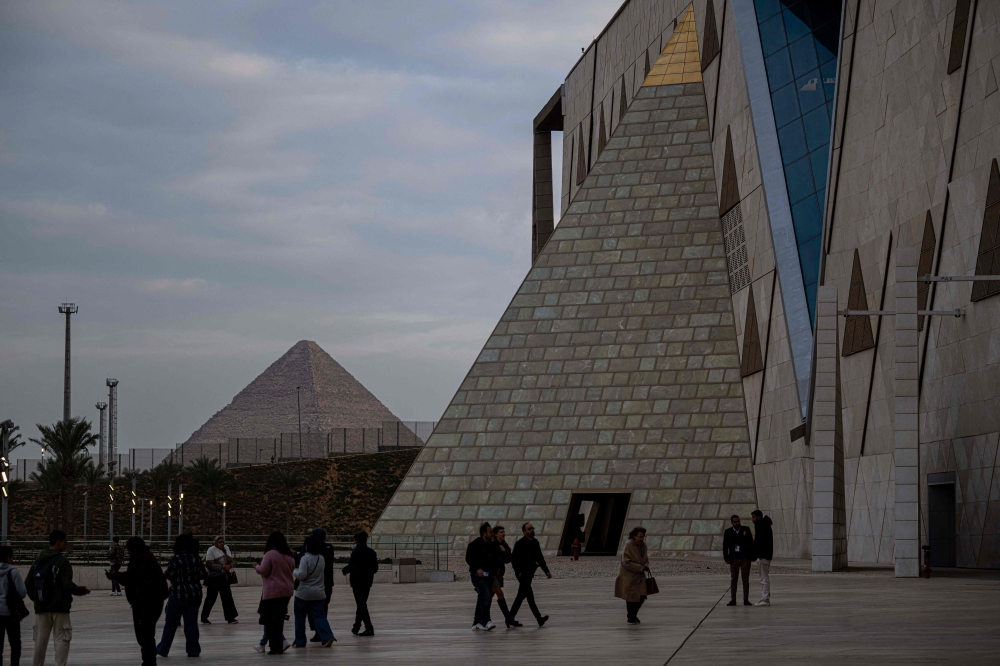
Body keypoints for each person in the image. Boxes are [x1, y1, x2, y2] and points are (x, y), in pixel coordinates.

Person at [27, 529, 91, 666]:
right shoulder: (62, 562)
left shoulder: (38, 561)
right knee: (62, 639)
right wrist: (81, 590)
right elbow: (67, 584)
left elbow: (28, 583)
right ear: (58, 542)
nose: (66, 544)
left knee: (39, 642)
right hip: (60, 607)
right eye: (65, 542)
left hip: (41, 608)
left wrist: (37, 599)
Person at [107, 537, 168, 666]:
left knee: (145, 634)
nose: (128, 552)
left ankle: (149, 661)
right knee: (146, 633)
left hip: (146, 602)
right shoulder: (145, 556)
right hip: (151, 601)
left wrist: (115, 575)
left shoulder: (141, 558)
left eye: (129, 549)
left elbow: (132, 577)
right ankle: (149, 660)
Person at [156, 533, 207, 657]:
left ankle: (163, 649)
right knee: (191, 624)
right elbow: (203, 575)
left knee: (170, 624)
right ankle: (193, 650)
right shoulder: (196, 558)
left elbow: (168, 575)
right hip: (195, 594)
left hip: (178, 594)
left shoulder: (176, 559)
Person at [254, 531, 295, 655]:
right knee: (280, 620)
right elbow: (292, 569)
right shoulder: (289, 556)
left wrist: (256, 566)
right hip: (286, 591)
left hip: (273, 592)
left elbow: (263, 570)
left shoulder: (270, 554)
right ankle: (279, 647)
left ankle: (273, 648)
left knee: (271, 621)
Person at [292, 536, 335, 648]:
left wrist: (293, 572)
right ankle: (327, 636)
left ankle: (300, 641)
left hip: (303, 593)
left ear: (307, 546)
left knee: (300, 617)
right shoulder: (321, 558)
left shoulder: (305, 559)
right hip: (319, 592)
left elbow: (302, 575)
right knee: (320, 616)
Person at [509, 522, 551, 627]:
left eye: (532, 528)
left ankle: (510, 618)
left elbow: (540, 558)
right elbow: (514, 559)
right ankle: (538, 618)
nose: (532, 530)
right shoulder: (520, 543)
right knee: (529, 596)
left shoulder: (535, 542)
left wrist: (546, 571)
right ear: (524, 532)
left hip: (530, 572)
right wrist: (518, 571)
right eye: (529, 529)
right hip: (522, 574)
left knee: (522, 595)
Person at [342, 531, 378, 636]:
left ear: (357, 541)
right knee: (361, 604)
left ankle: (369, 627)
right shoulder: (371, 552)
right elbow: (375, 568)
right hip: (367, 582)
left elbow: (352, 565)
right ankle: (356, 626)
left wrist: (345, 570)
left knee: (361, 604)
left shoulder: (356, 552)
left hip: (357, 582)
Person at [465, 521, 497, 631]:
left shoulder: (493, 545)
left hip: (489, 576)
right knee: (485, 595)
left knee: (482, 598)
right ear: (484, 533)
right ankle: (487, 621)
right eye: (490, 532)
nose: (492, 534)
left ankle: (477, 623)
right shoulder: (474, 545)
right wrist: (477, 568)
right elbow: (469, 559)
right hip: (477, 576)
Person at [614, 526, 649, 624]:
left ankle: (633, 615)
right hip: (629, 576)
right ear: (634, 536)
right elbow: (626, 562)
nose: (641, 539)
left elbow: (646, 559)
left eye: (643, 537)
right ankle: (631, 617)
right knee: (631, 597)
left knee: (642, 596)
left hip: (640, 576)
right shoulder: (629, 545)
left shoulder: (644, 546)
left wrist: (646, 565)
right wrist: (640, 567)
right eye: (639, 537)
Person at [0, 545, 27, 666]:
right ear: (8, 557)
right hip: (11, 614)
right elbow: (22, 592)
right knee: (15, 645)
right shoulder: (14, 572)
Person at [201, 536, 238, 624]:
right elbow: (209, 564)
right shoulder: (211, 550)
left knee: (227, 597)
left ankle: (230, 617)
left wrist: (229, 566)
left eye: (223, 542)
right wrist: (222, 566)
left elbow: (231, 561)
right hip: (214, 578)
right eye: (220, 542)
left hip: (224, 577)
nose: (222, 544)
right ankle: (204, 617)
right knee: (211, 598)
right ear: (216, 543)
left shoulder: (226, 548)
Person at [489, 525, 518, 628]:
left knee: (489, 596)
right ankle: (508, 618)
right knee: (500, 594)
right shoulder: (493, 544)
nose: (503, 534)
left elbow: (509, 558)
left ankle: (483, 617)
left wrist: (503, 551)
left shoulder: (504, 544)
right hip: (493, 574)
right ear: (496, 534)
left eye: (503, 532)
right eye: (501, 532)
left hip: (499, 574)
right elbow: (496, 559)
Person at [723, 514, 755, 607]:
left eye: (738, 521)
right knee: (734, 579)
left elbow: (751, 543)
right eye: (735, 522)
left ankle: (746, 599)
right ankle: (733, 599)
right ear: (732, 522)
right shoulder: (728, 532)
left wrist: (752, 556)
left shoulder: (746, 529)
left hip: (745, 558)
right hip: (734, 558)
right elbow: (725, 546)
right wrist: (726, 558)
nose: (737, 523)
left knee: (745, 579)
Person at [751, 510, 773, 606]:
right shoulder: (766, 524)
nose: (752, 519)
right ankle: (765, 597)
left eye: (754, 517)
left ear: (758, 517)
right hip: (766, 555)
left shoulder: (760, 525)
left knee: (763, 578)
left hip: (762, 556)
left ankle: (765, 598)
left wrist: (758, 554)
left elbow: (759, 541)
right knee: (764, 577)